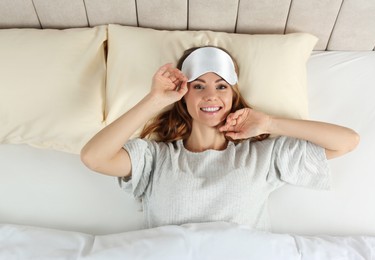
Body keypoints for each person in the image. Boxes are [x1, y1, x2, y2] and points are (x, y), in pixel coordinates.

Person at [81, 46, 359, 230]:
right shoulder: (155, 157)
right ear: (183, 96)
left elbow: (347, 141)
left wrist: (270, 122)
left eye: (221, 86)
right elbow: (94, 157)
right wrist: (154, 99)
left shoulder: (262, 155)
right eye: (198, 86)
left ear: (232, 95)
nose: (210, 95)